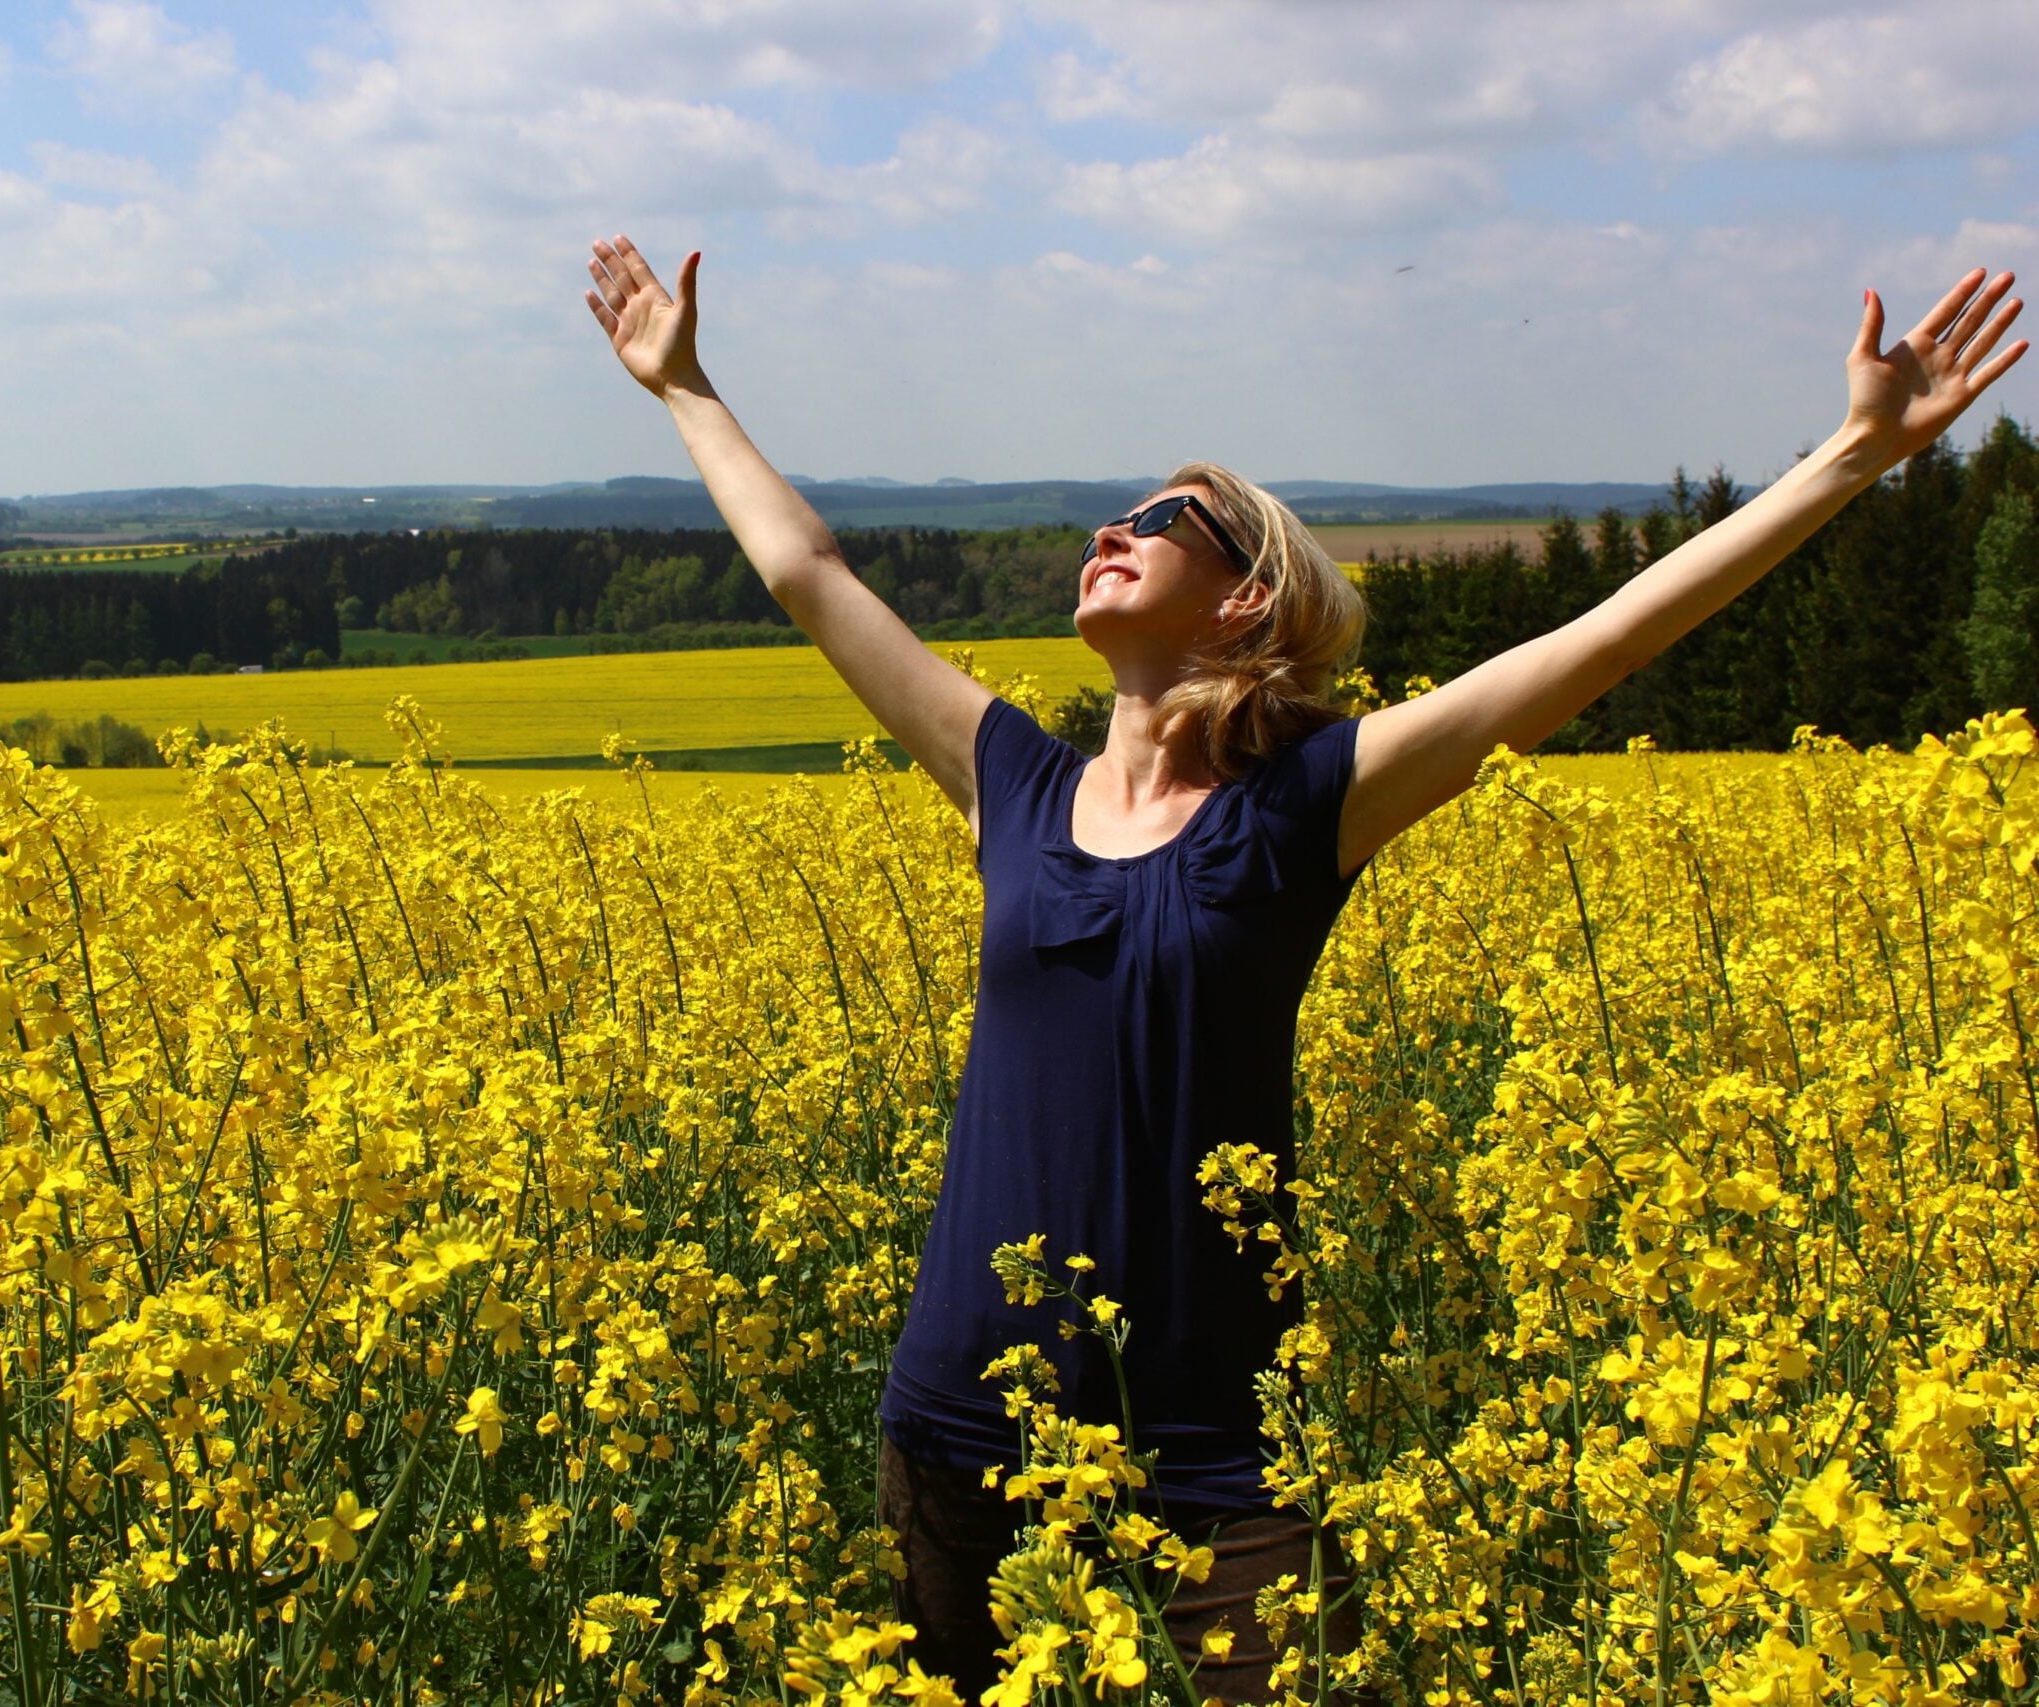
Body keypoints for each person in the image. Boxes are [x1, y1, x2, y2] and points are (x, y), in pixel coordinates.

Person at [584, 232, 2023, 1698]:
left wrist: (1851, 457)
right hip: (963, 1427)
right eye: (1118, 511)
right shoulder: (1008, 782)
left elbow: (1594, 643)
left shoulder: (1300, 807)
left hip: (1218, 1456)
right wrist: (685, 385)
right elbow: (808, 569)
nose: (1115, 526)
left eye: (1168, 517)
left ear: (1247, 601)